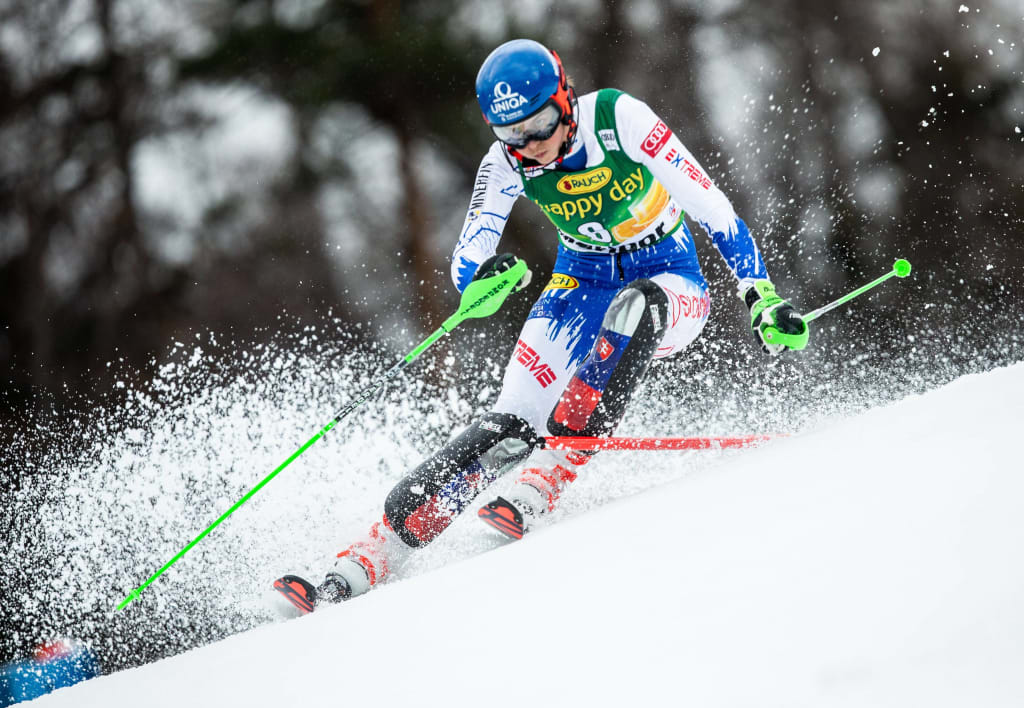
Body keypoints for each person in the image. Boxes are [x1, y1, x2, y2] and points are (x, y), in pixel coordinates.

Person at [273, 39, 807, 614]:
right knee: (508, 427)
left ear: (565, 98)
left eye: (542, 124)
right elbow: (469, 252)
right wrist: (481, 276)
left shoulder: (618, 120)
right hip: (579, 283)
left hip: (671, 279)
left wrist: (759, 294)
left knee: (635, 306)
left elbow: (713, 208)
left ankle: (549, 477)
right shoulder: (504, 164)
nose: (533, 146)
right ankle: (362, 561)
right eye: (513, 135)